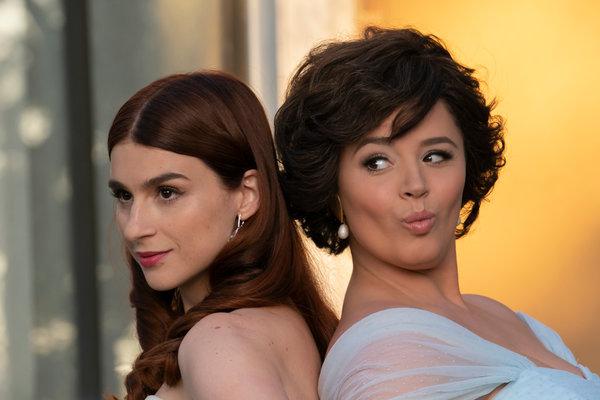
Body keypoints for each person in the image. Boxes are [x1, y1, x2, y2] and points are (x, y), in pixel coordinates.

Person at [275, 27, 600, 399]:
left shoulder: (501, 317)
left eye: (435, 156)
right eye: (377, 162)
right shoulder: (385, 362)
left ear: (468, 165)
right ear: (331, 188)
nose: (415, 184)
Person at [107, 71, 337, 400]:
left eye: (167, 192)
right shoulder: (279, 322)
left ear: (246, 195)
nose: (134, 228)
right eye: (124, 195)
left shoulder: (219, 341)